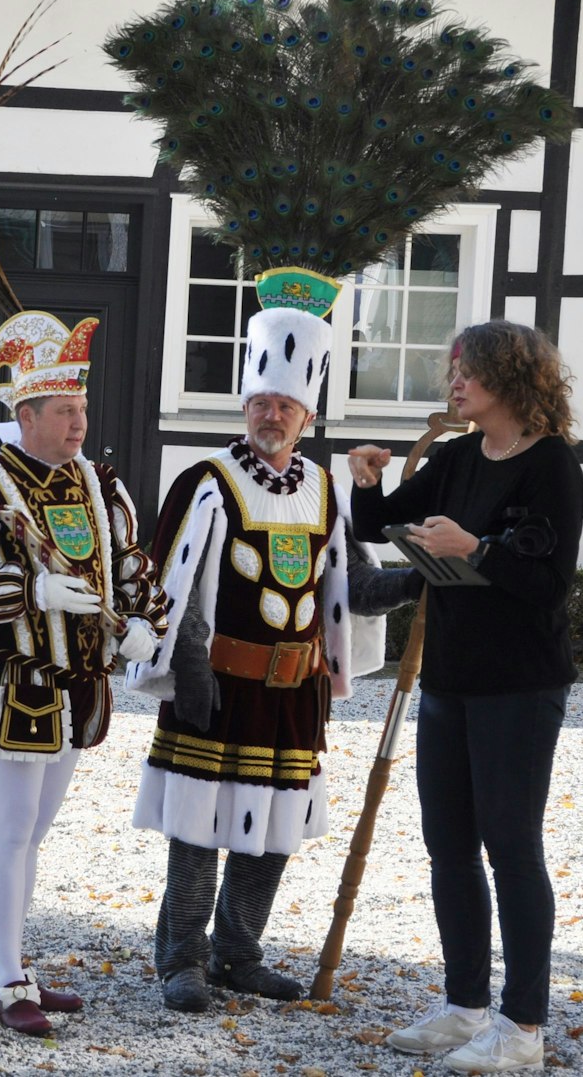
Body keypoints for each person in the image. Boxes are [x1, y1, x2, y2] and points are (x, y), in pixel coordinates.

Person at [129, 306, 420, 1012]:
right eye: (261, 402)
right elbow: (173, 581)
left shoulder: (324, 491)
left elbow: (352, 587)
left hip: (295, 692)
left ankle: (238, 952)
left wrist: (420, 579)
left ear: (307, 415)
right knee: (199, 827)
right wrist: (189, 670)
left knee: (272, 832)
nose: (271, 414)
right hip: (217, 683)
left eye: (285, 404)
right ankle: (181, 959)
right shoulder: (206, 479)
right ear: (245, 404)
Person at [0, 311, 168, 1037]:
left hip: (82, 681)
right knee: (14, 826)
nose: (80, 421)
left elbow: (131, 565)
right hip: (16, 678)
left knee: (37, 829)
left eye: (82, 408)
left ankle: (2, 954)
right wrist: (30, 591)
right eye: (64, 410)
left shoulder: (98, 484)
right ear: (26, 414)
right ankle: (11, 973)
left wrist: (145, 622)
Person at [346, 319, 583, 1074]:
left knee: (512, 846)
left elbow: (549, 582)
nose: (454, 385)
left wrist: (475, 548)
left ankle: (523, 1027)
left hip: (520, 684)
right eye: (453, 371)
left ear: (510, 380)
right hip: (448, 678)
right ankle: (464, 1006)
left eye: (466, 372)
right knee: (448, 844)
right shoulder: (455, 458)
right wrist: (367, 479)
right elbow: (375, 524)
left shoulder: (552, 466)